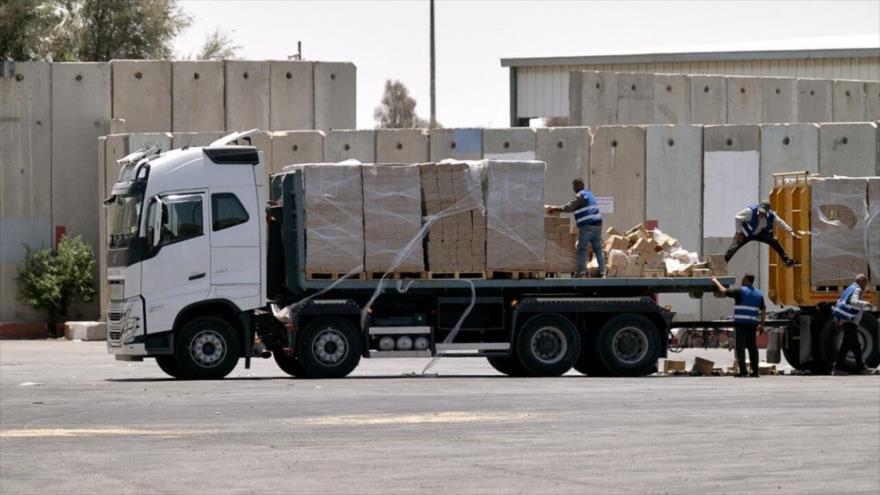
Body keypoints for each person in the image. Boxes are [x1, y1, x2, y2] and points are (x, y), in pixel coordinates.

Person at [546, 178, 604, 278]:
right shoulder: (589, 194)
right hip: (597, 224)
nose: (573, 188)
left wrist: (554, 208)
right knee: (597, 248)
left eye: (574, 186)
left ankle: (581, 271)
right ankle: (603, 272)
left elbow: (569, 207)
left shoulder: (580, 195)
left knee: (581, 248)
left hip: (587, 226)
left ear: (577, 186)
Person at [712, 274, 765, 377]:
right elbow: (763, 311)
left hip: (741, 324)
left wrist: (715, 281)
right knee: (752, 347)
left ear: (746, 280)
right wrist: (762, 325)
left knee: (740, 347)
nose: (741, 281)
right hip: (752, 324)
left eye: (742, 279)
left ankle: (743, 372)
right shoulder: (759, 294)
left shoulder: (740, 291)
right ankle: (755, 372)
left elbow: (723, 291)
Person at [725, 201, 801, 267]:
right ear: (759, 208)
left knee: (774, 241)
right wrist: (739, 232)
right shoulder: (750, 211)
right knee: (733, 248)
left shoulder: (771, 215)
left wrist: (790, 231)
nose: (762, 214)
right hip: (745, 233)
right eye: (761, 212)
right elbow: (737, 218)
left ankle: (787, 261)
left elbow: (780, 222)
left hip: (759, 233)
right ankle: (722, 264)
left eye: (764, 212)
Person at [832, 274, 875, 375]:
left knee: (855, 346)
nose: (866, 285)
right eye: (865, 282)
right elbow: (853, 301)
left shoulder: (849, 289)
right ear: (860, 281)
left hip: (845, 320)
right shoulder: (857, 289)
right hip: (850, 321)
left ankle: (862, 367)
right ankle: (837, 368)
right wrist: (865, 304)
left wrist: (838, 319)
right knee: (846, 345)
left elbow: (840, 302)